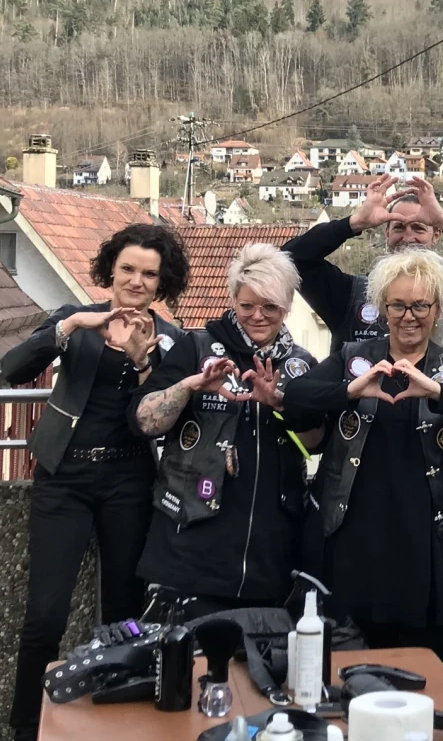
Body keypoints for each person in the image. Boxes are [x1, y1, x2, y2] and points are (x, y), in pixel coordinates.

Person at [275, 247, 443, 694]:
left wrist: (436, 391)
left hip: (428, 548)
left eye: (421, 305)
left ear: (438, 309)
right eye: (398, 305)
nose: (409, 316)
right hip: (353, 545)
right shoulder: (353, 357)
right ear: (382, 307)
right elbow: (299, 397)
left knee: (437, 681)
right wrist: (350, 389)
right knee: (350, 674)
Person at [1, 224, 190, 741]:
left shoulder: (172, 341)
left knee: (126, 611)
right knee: (45, 615)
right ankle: (25, 727)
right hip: (63, 477)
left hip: (127, 479)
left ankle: (119, 722)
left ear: (161, 284)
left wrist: (141, 361)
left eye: (149, 274)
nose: (135, 280)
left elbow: (151, 419)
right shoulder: (75, 321)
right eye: (127, 269)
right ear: (111, 269)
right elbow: (11, 370)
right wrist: (70, 327)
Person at [128, 244, 322, 620]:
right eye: (247, 305)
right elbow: (142, 421)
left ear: (287, 308)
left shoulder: (302, 365)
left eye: (270, 307)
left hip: (268, 560)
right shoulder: (196, 347)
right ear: (233, 299)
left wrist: (280, 404)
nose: (258, 316)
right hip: (189, 553)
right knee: (183, 673)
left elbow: (316, 445)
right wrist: (190, 386)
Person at [282, 173, 443, 354]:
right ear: (386, 234)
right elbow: (291, 259)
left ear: (436, 235)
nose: (408, 237)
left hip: (435, 417)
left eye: (418, 227)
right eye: (398, 227)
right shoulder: (349, 296)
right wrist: (355, 222)